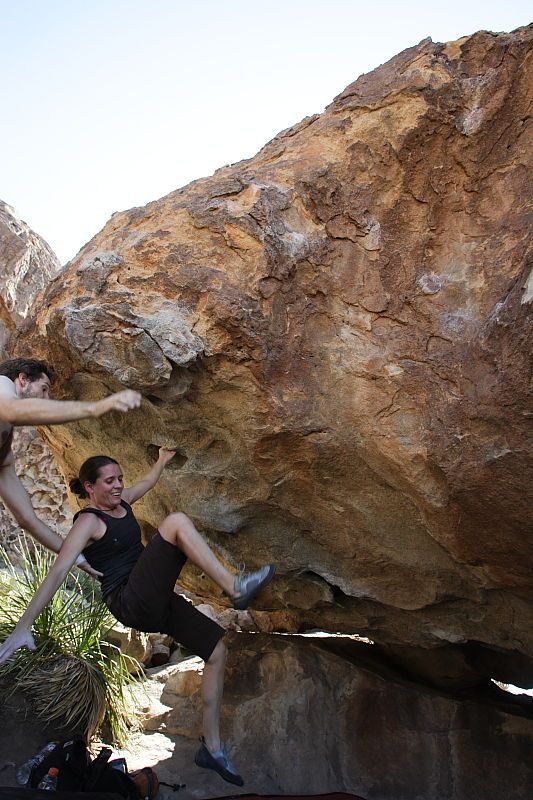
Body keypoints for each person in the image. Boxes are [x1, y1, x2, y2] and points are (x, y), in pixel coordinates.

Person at [0, 448, 275, 786]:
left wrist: (161, 459)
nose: (118, 486)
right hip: (128, 598)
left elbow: (146, 482)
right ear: (90, 487)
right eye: (109, 481)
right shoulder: (88, 521)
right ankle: (234, 587)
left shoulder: (123, 503)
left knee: (217, 651)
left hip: (153, 597)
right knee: (175, 522)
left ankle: (212, 749)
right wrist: (24, 625)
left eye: (119, 479)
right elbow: (57, 572)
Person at [0, 357, 141, 576]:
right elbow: (12, 410)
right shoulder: (2, 384)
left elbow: (26, 519)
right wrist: (95, 408)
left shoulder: (4, 451)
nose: (47, 399)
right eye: (44, 389)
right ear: (22, 379)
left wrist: (77, 558)